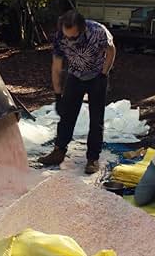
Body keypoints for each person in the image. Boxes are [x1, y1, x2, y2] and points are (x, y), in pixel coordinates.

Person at [38, 10, 116, 174]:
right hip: (75, 75)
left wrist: (104, 73)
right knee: (66, 116)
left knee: (96, 119)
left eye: (73, 37)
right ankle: (59, 151)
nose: (69, 40)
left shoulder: (98, 31)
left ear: (82, 29)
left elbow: (111, 50)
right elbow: (57, 66)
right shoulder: (60, 36)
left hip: (97, 76)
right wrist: (58, 95)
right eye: (67, 36)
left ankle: (93, 158)